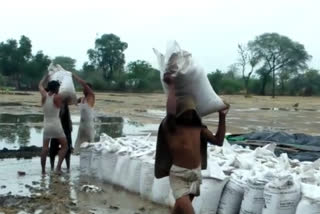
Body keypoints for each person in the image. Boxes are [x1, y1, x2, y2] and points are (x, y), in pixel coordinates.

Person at [154, 72, 230, 214]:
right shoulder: (171, 127)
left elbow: (218, 141)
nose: (189, 114)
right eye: (186, 111)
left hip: (195, 174)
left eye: (192, 111)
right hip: (179, 176)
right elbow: (170, 110)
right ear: (179, 112)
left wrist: (222, 117)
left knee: (179, 211)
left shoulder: (198, 128)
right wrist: (171, 86)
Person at [39, 75, 68, 175]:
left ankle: (43, 171)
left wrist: (46, 77)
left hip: (46, 126)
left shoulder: (44, 95)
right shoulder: (58, 97)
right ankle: (58, 168)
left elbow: (40, 85)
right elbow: (62, 110)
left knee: (45, 148)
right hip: (56, 125)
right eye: (58, 87)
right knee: (64, 146)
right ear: (56, 88)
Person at [72, 73, 95, 154]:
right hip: (82, 126)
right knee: (80, 145)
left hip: (89, 126)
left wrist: (74, 76)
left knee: (90, 145)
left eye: (85, 89)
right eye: (83, 89)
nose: (83, 90)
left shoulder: (91, 96)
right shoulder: (82, 99)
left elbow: (84, 84)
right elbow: (73, 101)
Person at [49, 99, 73, 172]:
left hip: (63, 129)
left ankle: (55, 167)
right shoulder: (59, 103)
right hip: (61, 129)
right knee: (54, 150)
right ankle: (56, 167)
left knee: (58, 150)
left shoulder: (61, 104)